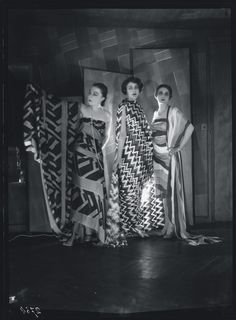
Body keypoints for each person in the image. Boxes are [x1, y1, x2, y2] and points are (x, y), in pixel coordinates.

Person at [151, 84, 221, 245]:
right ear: (155, 95)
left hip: (170, 157)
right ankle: (167, 224)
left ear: (170, 97)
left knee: (171, 192)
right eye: (160, 93)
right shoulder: (155, 113)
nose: (163, 95)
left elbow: (190, 127)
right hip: (157, 157)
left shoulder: (173, 111)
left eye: (166, 94)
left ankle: (173, 227)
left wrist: (178, 147)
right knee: (162, 193)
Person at [105, 76, 163, 247]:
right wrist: (118, 157)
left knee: (138, 192)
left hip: (142, 155)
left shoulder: (137, 107)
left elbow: (142, 132)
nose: (133, 90)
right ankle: (127, 226)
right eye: (130, 87)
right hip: (129, 156)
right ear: (125, 90)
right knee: (129, 191)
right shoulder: (124, 106)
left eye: (135, 87)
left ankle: (136, 224)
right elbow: (121, 134)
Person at [63, 83, 111, 246]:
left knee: (97, 193)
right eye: (90, 93)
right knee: (81, 194)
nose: (90, 95)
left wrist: (99, 154)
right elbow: (66, 124)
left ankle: (98, 234)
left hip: (96, 158)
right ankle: (76, 234)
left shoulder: (107, 115)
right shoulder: (81, 109)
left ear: (103, 98)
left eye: (95, 94)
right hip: (80, 156)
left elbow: (106, 140)